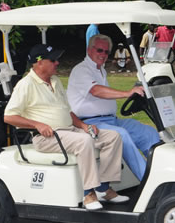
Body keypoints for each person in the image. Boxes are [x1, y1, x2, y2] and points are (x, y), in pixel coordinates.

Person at [4, 44, 128, 211]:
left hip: (70, 131)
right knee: (84, 141)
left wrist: (84, 125)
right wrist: (37, 124)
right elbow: (9, 116)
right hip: (46, 137)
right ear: (39, 62)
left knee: (113, 137)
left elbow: (67, 111)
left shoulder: (55, 81)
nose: (57, 63)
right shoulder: (26, 84)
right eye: (53, 60)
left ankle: (103, 188)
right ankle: (88, 193)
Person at [67, 34, 161, 182]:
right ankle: (150, 183)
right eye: (99, 50)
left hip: (111, 121)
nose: (103, 55)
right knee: (121, 135)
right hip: (90, 124)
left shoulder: (100, 70)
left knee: (148, 132)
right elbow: (96, 90)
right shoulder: (81, 70)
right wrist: (127, 93)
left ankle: (163, 175)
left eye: (106, 52)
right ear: (89, 50)